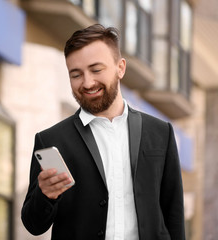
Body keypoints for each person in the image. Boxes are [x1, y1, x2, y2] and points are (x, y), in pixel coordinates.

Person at [21, 24, 185, 239]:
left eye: (96, 70)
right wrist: (45, 196)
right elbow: (33, 225)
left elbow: (173, 213)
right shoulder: (51, 140)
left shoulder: (160, 133)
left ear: (120, 68)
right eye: (76, 74)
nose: (87, 83)